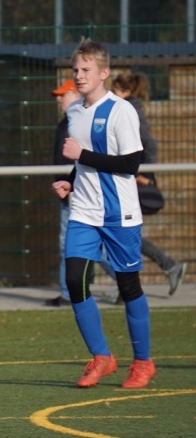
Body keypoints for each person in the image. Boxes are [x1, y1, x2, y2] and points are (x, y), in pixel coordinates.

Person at [51, 39, 156, 389]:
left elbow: (130, 164)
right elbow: (84, 163)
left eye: (86, 70)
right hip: (84, 212)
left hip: (119, 214)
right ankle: (102, 357)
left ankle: (143, 363)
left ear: (104, 73)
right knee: (74, 280)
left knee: (128, 286)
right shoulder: (75, 112)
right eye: (76, 70)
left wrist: (80, 155)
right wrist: (70, 180)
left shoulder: (121, 111)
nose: (79, 75)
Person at [111, 72, 187, 296]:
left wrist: (144, 173)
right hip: (125, 179)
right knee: (122, 234)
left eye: (114, 91)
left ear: (126, 92)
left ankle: (159, 270)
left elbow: (149, 143)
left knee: (122, 233)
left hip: (131, 181)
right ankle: (163, 268)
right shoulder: (125, 109)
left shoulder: (130, 111)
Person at [45, 80, 117, 307]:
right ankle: (68, 293)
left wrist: (73, 181)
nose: (59, 99)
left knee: (82, 246)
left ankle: (126, 281)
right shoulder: (66, 121)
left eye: (63, 95)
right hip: (70, 191)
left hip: (83, 193)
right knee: (70, 244)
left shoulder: (82, 120)